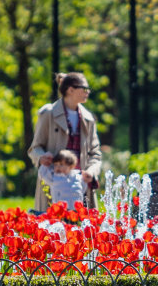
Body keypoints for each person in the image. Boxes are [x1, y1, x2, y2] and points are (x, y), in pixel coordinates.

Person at [28, 72, 102, 213]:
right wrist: (41, 157)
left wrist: (91, 172)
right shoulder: (48, 114)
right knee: (52, 229)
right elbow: (35, 148)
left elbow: (95, 153)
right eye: (84, 88)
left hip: (80, 186)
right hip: (54, 182)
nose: (88, 92)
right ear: (70, 90)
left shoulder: (88, 119)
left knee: (81, 230)